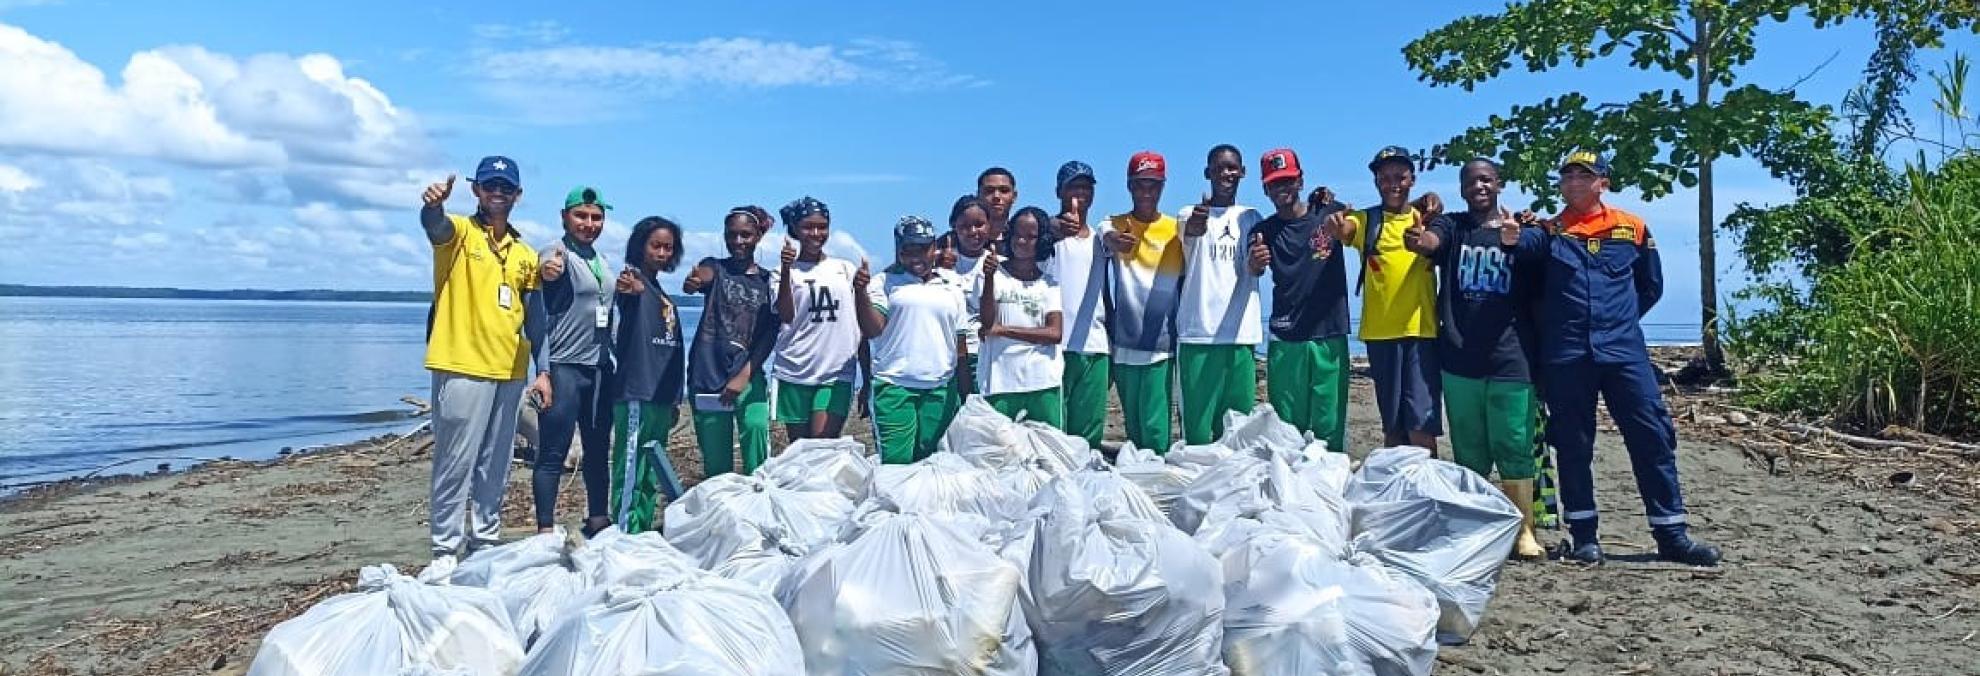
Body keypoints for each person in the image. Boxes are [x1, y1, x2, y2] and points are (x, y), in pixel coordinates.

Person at [1535, 150, 1721, 566]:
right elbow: (1533, 295)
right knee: (1572, 442)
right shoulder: (1549, 231)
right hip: (1567, 354)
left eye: (1585, 176)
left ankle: (1671, 534)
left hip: (1624, 352)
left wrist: (1615, 322)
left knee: (1651, 436)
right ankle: (1584, 536)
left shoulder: (1632, 228)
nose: (1575, 183)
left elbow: (1650, 287)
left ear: (1604, 182)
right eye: (1567, 176)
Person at [1402, 158, 1547, 559]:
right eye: (1470, 181)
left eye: (1485, 180)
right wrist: (1418, 237)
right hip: (1460, 355)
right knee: (1469, 449)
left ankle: (1524, 530)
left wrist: (1522, 235)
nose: (1478, 187)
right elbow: (1429, 240)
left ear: (1499, 183)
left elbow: (1541, 250)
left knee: (1513, 442)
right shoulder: (1453, 225)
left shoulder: (1523, 229)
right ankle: (1479, 528)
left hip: (1512, 359)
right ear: (1462, 189)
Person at [416, 156, 548, 564]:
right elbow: (434, 226)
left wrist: (543, 372)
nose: (497, 193)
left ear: (517, 195)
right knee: (455, 461)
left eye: (505, 187)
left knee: (496, 464)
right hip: (461, 366)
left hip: (510, 371)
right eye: (490, 185)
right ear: (476, 189)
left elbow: (536, 318)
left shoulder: (525, 253)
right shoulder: (459, 232)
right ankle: (445, 549)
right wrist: (433, 206)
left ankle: (484, 543)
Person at [1327, 145, 1442, 452]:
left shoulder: (1428, 218)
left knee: (1421, 426)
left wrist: (1430, 220)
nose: (1393, 183)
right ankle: (1399, 494)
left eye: (1400, 177)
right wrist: (1336, 224)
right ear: (1377, 182)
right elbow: (1345, 228)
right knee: (1392, 428)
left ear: (1412, 180)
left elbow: (1441, 236)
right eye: (1385, 177)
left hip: (1421, 332)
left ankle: (1428, 490)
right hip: (1379, 335)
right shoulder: (1368, 221)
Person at [529, 185, 618, 536]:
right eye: (581, 216)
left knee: (598, 451)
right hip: (564, 367)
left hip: (598, 369)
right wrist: (543, 371)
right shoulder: (556, 253)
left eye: (597, 217)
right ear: (565, 217)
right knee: (553, 452)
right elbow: (539, 297)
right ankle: (545, 530)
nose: (589, 223)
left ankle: (598, 519)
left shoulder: (602, 260)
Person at [1253, 148, 1353, 453]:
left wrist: (1344, 225)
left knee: (1329, 427)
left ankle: (1329, 492)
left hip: (1329, 334)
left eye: (1288, 181)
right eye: (1274, 183)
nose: (1282, 189)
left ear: (1300, 180)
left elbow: (1355, 226)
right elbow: (1252, 267)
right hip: (1287, 336)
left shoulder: (1328, 211)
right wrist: (1255, 262)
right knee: (1287, 430)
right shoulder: (1264, 231)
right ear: (1265, 188)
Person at [858, 216, 970, 463]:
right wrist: (860, 293)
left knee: (935, 465)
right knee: (896, 467)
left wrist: (965, 392)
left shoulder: (952, 284)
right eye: (909, 249)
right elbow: (873, 329)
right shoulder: (884, 282)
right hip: (895, 386)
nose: (917, 256)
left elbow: (960, 343)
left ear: (935, 248)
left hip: (941, 388)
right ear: (898, 249)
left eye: (924, 248)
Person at [1176, 145, 1265, 444]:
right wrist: (1200, 221)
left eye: (1232, 168)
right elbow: (1192, 231)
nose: (1226, 173)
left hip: (1241, 335)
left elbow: (1256, 267)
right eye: (1219, 168)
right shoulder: (1188, 213)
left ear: (1242, 172)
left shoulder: (1252, 217)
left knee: (1238, 431)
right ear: (1207, 173)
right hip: (1198, 335)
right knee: (1198, 432)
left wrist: (1256, 263)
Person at [682, 207, 777, 478]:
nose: (738, 241)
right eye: (732, 235)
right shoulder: (716, 266)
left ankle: (758, 506)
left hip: (748, 373)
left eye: (745, 235)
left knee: (757, 435)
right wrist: (694, 281)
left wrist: (743, 377)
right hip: (706, 373)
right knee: (716, 462)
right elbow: (701, 277)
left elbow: (770, 335)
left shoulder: (768, 281)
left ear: (758, 236)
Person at [607, 216, 688, 533]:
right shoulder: (633, 282)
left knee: (652, 466)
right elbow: (623, 297)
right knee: (631, 466)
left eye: (669, 248)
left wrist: (674, 398)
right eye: (656, 246)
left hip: (660, 395)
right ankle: (625, 529)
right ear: (640, 246)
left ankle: (642, 527)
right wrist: (630, 289)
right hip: (637, 391)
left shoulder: (659, 291)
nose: (663, 253)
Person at [1104, 151, 1183, 452]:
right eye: (1140, 185)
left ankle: (1157, 483)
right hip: (1123, 343)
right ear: (1129, 186)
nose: (1146, 192)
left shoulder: (1177, 229)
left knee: (1155, 427)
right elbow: (1101, 233)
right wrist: (1112, 239)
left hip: (1160, 346)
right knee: (1132, 426)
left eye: (1153, 185)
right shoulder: (1114, 223)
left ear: (1163, 187)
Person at [770, 197, 862, 440]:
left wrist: (868, 375)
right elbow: (785, 314)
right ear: (795, 230)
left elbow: (859, 322)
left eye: (822, 226)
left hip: (836, 370)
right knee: (800, 449)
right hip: (794, 369)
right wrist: (788, 270)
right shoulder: (780, 272)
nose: (816, 233)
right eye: (808, 227)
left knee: (822, 445)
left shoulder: (844, 269)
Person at [979, 207, 1065, 426]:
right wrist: (988, 278)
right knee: (1001, 451)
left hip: (1043, 379)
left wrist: (1004, 330)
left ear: (1042, 240)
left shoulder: (1050, 284)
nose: (1022, 241)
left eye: (1031, 237)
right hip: (1001, 380)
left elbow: (1054, 333)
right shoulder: (994, 275)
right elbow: (988, 323)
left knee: (1048, 448)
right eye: (1017, 234)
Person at [1047, 161, 1112, 449]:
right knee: (1053, 432)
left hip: (1095, 344)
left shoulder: (1102, 240)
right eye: (1073, 186)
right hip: (1052, 347)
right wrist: (1051, 228)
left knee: (1088, 435)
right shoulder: (1042, 238)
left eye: (1086, 186)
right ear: (1059, 191)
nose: (1080, 193)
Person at [946, 195, 997, 396]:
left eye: (979, 224)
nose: (973, 232)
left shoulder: (1001, 263)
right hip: (947, 356)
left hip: (983, 354)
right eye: (965, 226)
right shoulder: (938, 263)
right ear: (954, 227)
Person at [977, 167, 1018, 239]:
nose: (996, 196)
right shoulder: (960, 242)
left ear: (1014, 196)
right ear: (978, 195)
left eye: (1004, 190)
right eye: (989, 191)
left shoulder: (1023, 241)